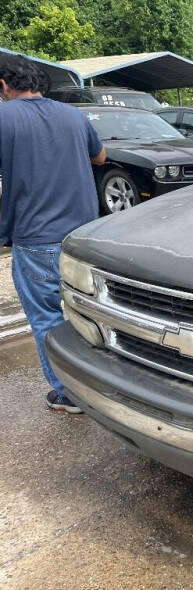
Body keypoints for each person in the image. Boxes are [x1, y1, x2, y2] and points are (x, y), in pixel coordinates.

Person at [0, 53, 106, 413]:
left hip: (36, 238)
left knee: (46, 316)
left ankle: (68, 394)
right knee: (86, 312)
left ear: (4, 85)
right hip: (83, 238)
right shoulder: (73, 115)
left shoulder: (3, 117)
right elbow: (101, 157)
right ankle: (102, 382)